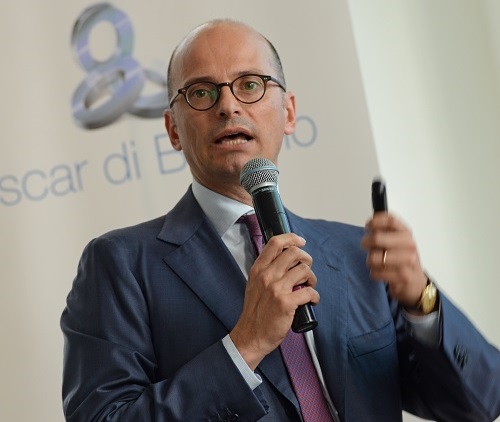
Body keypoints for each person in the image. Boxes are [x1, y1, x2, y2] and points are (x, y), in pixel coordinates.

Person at [61, 19, 500, 422]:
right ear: (173, 129)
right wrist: (245, 345)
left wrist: (422, 302)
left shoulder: (356, 255)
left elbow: (481, 402)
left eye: (250, 84)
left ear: (289, 112)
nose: (228, 106)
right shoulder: (119, 265)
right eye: (201, 92)